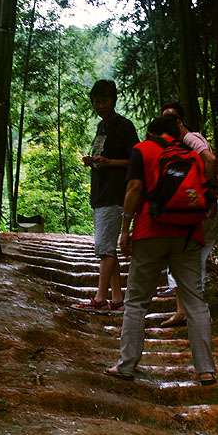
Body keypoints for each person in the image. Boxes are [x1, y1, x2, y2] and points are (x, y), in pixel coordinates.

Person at [105, 114, 217, 385]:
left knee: (136, 301)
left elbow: (134, 188)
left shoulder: (142, 150)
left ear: (151, 132)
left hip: (150, 232)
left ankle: (127, 365)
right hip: (188, 233)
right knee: (195, 302)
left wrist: (125, 229)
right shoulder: (191, 151)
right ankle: (206, 370)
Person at [71, 80, 139, 312]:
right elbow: (105, 157)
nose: (99, 105)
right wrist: (93, 162)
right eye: (96, 101)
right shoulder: (102, 127)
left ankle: (100, 299)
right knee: (107, 247)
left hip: (114, 193)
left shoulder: (124, 126)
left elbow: (135, 161)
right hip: (101, 192)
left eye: (104, 100)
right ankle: (118, 300)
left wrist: (110, 162)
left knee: (103, 247)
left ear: (114, 100)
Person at [157, 102, 218, 328]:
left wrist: (211, 194)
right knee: (188, 257)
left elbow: (210, 160)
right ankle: (185, 311)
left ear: (180, 121)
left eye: (171, 118)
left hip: (198, 206)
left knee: (188, 257)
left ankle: (193, 313)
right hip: (195, 205)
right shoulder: (181, 142)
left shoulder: (190, 139)